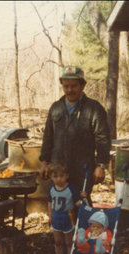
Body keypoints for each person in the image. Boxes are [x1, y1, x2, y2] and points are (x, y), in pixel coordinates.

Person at [40, 65, 111, 206]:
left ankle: (84, 229)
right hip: (57, 168)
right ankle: (61, 229)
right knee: (59, 205)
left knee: (81, 203)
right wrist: (44, 162)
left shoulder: (94, 108)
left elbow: (102, 138)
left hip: (82, 167)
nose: (69, 90)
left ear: (82, 85)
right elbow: (48, 137)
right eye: (66, 86)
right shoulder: (56, 108)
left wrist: (101, 165)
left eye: (74, 86)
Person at [47, 162, 81, 254]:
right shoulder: (52, 188)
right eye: (55, 176)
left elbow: (77, 203)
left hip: (68, 216)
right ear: (51, 177)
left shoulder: (71, 188)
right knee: (58, 241)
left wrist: (82, 199)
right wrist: (50, 215)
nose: (58, 179)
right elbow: (49, 202)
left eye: (61, 176)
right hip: (56, 216)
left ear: (67, 176)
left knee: (69, 241)